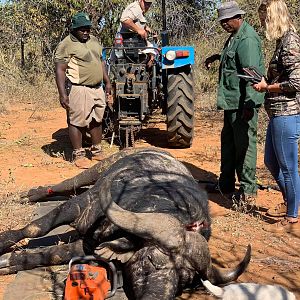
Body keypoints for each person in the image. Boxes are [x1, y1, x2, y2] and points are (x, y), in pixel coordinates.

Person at [204, 1, 265, 204]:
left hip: (243, 105)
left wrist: (250, 105)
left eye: (226, 21)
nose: (224, 25)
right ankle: (226, 183)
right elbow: (234, 60)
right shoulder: (235, 37)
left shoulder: (247, 39)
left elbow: (252, 75)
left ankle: (248, 191)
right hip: (231, 102)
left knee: (244, 147)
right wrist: (217, 57)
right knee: (229, 145)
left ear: (238, 17)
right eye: (221, 22)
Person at [253, 0, 300, 233]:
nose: (264, 24)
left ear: (274, 17)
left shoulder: (290, 41)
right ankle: (290, 201)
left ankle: (292, 217)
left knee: (288, 167)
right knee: (271, 162)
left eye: (265, 20)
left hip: (286, 112)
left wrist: (267, 88)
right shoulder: (283, 40)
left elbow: (295, 82)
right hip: (277, 112)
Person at [54, 12, 112, 169]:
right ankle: (78, 154)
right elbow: (60, 70)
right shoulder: (66, 44)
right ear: (74, 29)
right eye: (82, 29)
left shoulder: (93, 40)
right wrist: (62, 94)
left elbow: (101, 62)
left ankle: (97, 150)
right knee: (77, 121)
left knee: (97, 119)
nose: (86, 32)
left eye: (88, 29)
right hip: (79, 88)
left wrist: (107, 81)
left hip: (97, 88)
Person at [118, 0, 156, 67]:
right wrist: (139, 30)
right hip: (128, 44)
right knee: (152, 53)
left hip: (136, 43)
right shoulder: (135, 8)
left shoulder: (141, 10)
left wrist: (145, 27)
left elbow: (136, 22)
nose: (148, 6)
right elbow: (125, 20)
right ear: (141, 1)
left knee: (153, 51)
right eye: (146, 3)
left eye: (149, 4)